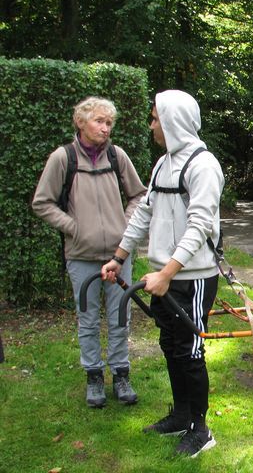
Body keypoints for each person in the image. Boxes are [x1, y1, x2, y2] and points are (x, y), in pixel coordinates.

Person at [102, 90, 224, 458]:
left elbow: (200, 224)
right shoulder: (162, 165)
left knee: (190, 350)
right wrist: (118, 256)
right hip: (163, 276)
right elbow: (144, 214)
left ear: (172, 120)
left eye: (155, 117)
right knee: (170, 345)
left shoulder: (204, 166)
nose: (151, 124)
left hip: (194, 276)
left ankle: (201, 430)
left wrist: (169, 271)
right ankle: (181, 417)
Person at [32, 97, 146, 408]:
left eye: (109, 123)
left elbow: (138, 195)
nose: (105, 128)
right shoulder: (63, 158)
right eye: (99, 121)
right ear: (81, 122)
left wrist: (126, 226)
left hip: (118, 255)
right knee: (88, 319)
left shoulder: (116, 155)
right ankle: (94, 377)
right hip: (81, 256)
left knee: (120, 315)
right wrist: (73, 226)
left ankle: (121, 374)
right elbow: (42, 203)